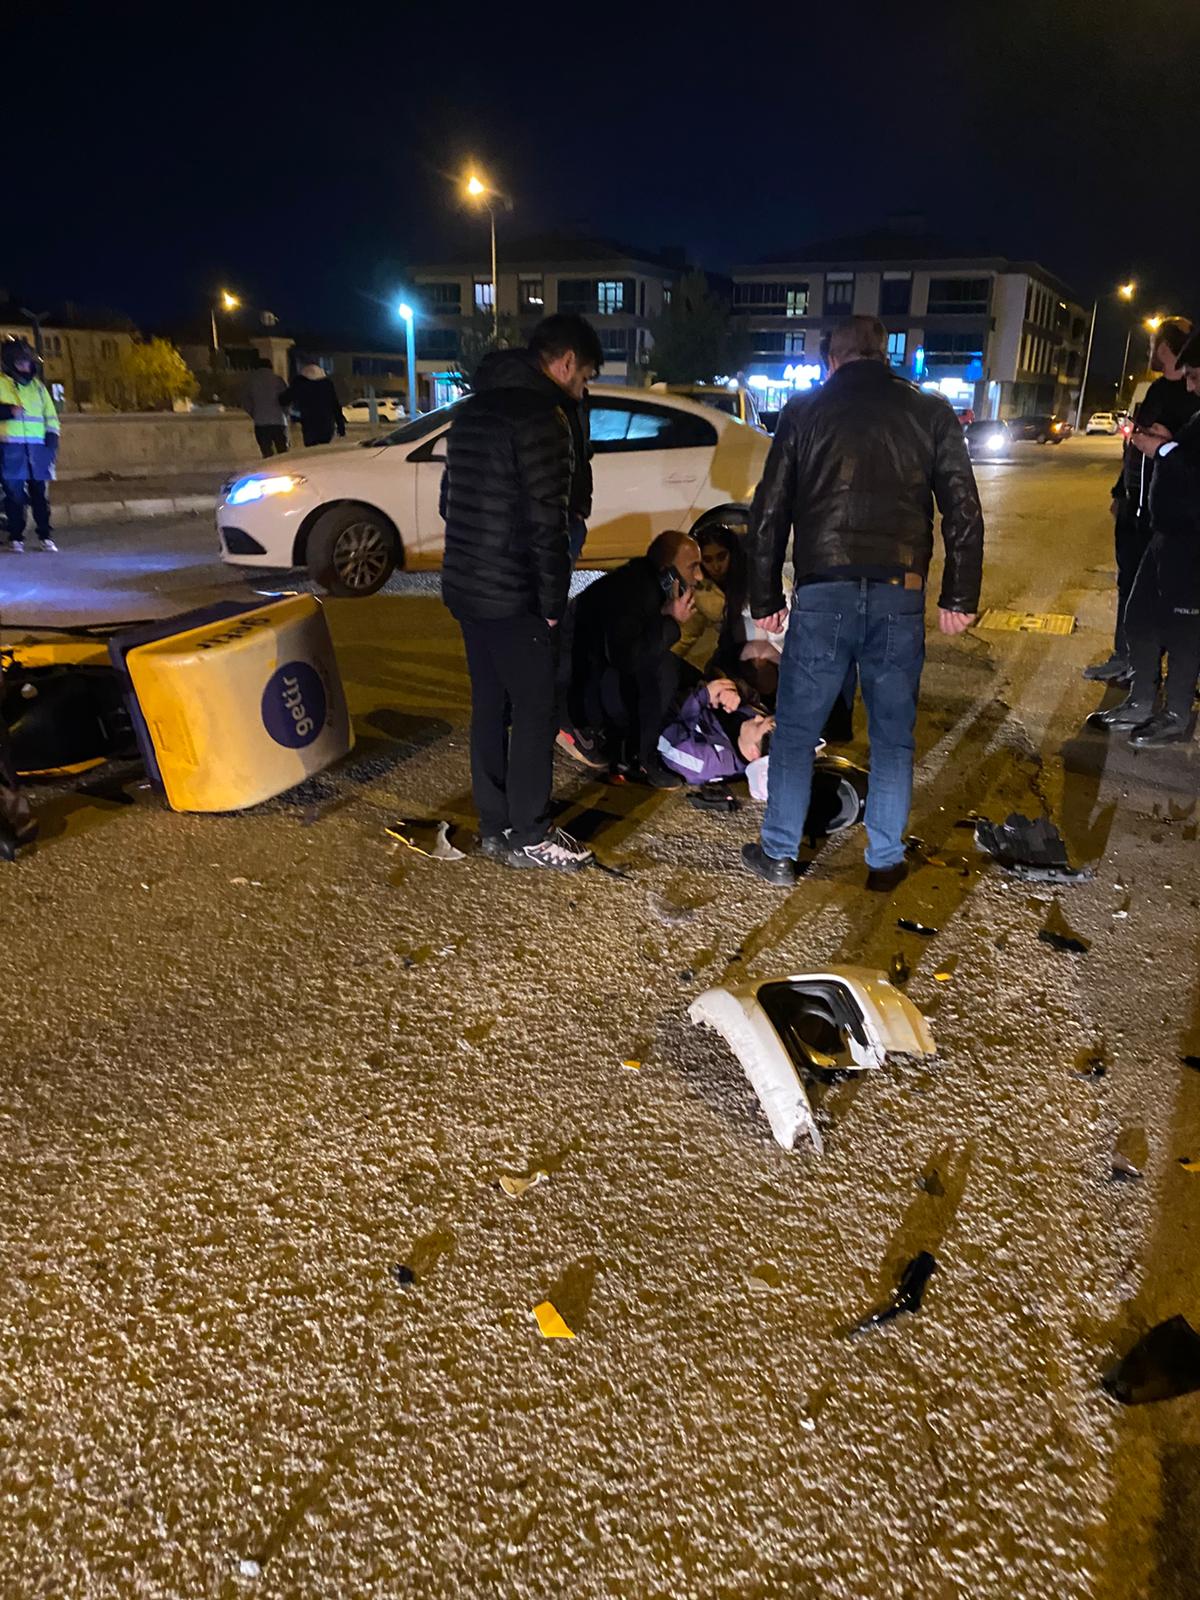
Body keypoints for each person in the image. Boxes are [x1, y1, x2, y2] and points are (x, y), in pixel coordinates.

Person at [742, 314, 984, 891]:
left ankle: (780, 853)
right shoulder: (930, 411)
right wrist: (959, 595)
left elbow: (769, 512)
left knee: (797, 731)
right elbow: (963, 509)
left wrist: (765, 595)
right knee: (893, 735)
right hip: (900, 592)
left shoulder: (804, 412)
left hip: (824, 589)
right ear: (884, 354)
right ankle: (884, 860)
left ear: (832, 359)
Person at [441, 313, 603, 871]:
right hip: (515, 593)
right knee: (535, 707)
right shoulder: (543, 418)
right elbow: (546, 525)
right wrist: (553, 605)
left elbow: (448, 501)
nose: (583, 389)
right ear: (565, 363)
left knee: (489, 703)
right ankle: (531, 832)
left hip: (466, 584)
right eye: (585, 377)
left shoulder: (471, 411)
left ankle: (494, 823)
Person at [1095, 327, 1200, 745]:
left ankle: (1176, 713)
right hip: (1166, 534)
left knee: (1184, 630)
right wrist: (1166, 443)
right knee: (1139, 616)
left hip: (1191, 541)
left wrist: (1163, 450)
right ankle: (1139, 700)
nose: (1190, 385)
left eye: (1195, 376)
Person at [565, 528, 704, 787]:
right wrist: (671, 621)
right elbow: (626, 659)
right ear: (668, 572)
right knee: (664, 671)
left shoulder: (643, 582)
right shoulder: (632, 591)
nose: (699, 576)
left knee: (680, 673)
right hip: (575, 686)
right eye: (692, 567)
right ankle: (640, 758)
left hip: (590, 674)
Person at [0, 338, 60, 553]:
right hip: (10, 449)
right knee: (14, 496)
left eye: (28, 363)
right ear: (10, 363)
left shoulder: (38, 388)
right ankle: (16, 537)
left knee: (40, 495)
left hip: (38, 449)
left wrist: (52, 440)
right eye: (21, 363)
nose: (26, 367)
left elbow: (51, 416)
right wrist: (7, 412)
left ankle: (45, 536)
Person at [657, 677, 774, 785]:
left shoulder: (710, 764)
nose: (758, 717)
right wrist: (732, 690)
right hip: (685, 686)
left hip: (659, 712)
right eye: (765, 718)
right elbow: (751, 695)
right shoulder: (754, 725)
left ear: (753, 753)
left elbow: (666, 746)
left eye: (758, 724)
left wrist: (702, 697)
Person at [282, 358, 346, 447]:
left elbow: (285, 399)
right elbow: (335, 406)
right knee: (323, 448)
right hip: (326, 424)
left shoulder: (301, 383)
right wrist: (340, 425)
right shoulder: (327, 384)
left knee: (311, 448)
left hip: (310, 424)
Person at [242, 356, 290, 457]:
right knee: (283, 452)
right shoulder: (278, 380)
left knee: (266, 452)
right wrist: (286, 414)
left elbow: (246, 402)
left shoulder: (250, 381)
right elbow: (286, 399)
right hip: (279, 420)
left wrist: (253, 413)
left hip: (261, 422)